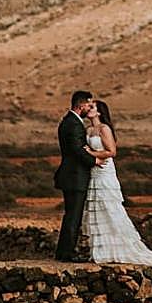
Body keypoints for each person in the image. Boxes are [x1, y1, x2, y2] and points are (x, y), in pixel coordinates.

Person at [79, 99, 152, 264]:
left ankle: (119, 247)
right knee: (97, 207)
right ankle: (101, 250)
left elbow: (111, 151)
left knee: (109, 206)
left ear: (99, 112)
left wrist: (92, 154)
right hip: (93, 171)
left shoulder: (104, 129)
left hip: (104, 170)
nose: (89, 109)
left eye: (92, 107)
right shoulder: (89, 129)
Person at [53, 90, 98, 261]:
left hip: (71, 175)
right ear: (80, 105)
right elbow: (77, 150)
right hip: (74, 176)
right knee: (73, 216)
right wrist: (95, 161)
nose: (89, 108)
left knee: (71, 215)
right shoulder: (73, 124)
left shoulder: (69, 121)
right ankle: (66, 254)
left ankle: (64, 252)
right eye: (88, 104)